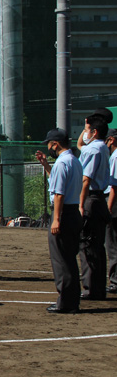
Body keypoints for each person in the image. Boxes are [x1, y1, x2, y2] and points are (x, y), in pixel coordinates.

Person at [36, 129, 83, 313]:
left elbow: (59, 193)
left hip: (63, 213)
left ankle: (65, 302)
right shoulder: (73, 161)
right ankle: (71, 300)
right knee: (69, 258)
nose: (48, 147)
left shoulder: (62, 163)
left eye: (49, 144)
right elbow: (60, 183)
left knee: (61, 259)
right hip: (72, 212)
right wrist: (46, 165)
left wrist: (56, 219)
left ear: (55, 144)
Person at [77, 115, 110, 300]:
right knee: (97, 246)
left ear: (94, 132)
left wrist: (80, 205)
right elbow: (82, 144)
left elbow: (85, 179)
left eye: (88, 130)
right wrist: (87, 124)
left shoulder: (93, 150)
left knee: (88, 246)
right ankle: (98, 288)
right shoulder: (102, 148)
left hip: (91, 199)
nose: (85, 133)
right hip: (99, 200)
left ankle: (91, 289)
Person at [106, 129, 117, 294]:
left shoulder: (115, 156)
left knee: (112, 244)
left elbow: (114, 186)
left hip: (114, 203)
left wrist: (108, 208)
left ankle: (115, 280)